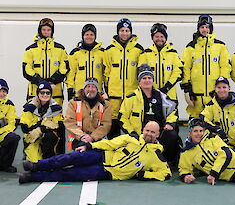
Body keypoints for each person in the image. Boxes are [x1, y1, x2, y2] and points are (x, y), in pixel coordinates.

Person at [19, 121, 171, 183]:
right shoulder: (131, 138)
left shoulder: (157, 155)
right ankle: (36, 165)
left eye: (152, 132)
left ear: (157, 134)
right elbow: (110, 143)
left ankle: (33, 177)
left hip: (108, 172)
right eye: (147, 130)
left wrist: (144, 174)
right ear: (143, 129)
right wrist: (90, 146)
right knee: (69, 158)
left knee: (71, 174)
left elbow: (166, 173)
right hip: (102, 156)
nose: (149, 133)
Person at [119, 64, 181, 164]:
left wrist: (170, 124)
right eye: (144, 78)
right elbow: (123, 118)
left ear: (153, 80)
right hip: (140, 135)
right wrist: (132, 133)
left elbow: (172, 112)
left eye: (149, 78)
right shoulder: (131, 98)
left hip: (158, 134)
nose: (147, 80)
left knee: (172, 135)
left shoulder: (162, 96)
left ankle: (168, 160)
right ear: (139, 81)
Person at [181, 14, 231, 118]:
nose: (205, 30)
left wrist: (222, 85)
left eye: (207, 27)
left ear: (211, 28)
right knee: (196, 123)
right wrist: (186, 87)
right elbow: (186, 67)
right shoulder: (191, 47)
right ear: (198, 29)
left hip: (213, 94)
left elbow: (224, 66)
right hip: (196, 94)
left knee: (215, 120)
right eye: (202, 27)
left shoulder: (220, 46)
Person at [104, 18, 143, 138]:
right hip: (114, 94)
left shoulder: (138, 50)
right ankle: (113, 150)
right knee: (113, 122)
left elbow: (140, 72)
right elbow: (106, 72)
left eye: (127, 30)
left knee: (130, 122)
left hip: (131, 94)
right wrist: (107, 90)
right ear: (118, 32)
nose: (124, 33)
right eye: (122, 30)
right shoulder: (110, 50)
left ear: (131, 32)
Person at [22, 18, 69, 106]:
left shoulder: (60, 49)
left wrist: (53, 79)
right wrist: (39, 80)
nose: (46, 32)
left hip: (55, 92)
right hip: (35, 91)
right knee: (33, 117)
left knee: (55, 117)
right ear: (40, 30)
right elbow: (26, 69)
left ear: (52, 31)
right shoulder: (30, 49)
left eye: (48, 30)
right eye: (43, 29)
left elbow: (65, 66)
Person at [200, 77, 235, 151]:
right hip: (217, 146)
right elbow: (203, 119)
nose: (221, 90)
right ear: (215, 89)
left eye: (224, 87)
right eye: (219, 87)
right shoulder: (211, 105)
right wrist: (216, 129)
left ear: (229, 88)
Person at [138, 23, 183, 104]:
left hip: (169, 95)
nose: (159, 39)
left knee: (171, 116)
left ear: (165, 38)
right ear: (152, 38)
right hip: (150, 95)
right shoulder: (145, 54)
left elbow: (178, 72)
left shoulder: (173, 53)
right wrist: (152, 90)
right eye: (157, 36)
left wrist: (167, 87)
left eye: (162, 36)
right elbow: (141, 74)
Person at [20, 81, 64, 162]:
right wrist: (44, 125)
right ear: (38, 94)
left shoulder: (56, 108)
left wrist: (40, 128)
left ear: (51, 94)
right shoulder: (29, 107)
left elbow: (57, 124)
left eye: (48, 93)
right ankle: (27, 153)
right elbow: (25, 127)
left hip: (47, 136)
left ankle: (50, 158)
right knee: (33, 164)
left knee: (50, 136)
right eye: (42, 92)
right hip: (33, 137)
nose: (45, 95)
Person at [64, 77, 112, 150]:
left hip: (97, 138)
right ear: (84, 89)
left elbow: (106, 125)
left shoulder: (105, 105)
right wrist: (82, 136)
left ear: (97, 89)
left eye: (93, 87)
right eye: (88, 86)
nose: (90, 89)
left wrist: (92, 137)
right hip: (79, 138)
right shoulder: (73, 103)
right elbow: (69, 123)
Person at [66, 24, 105, 101]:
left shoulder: (102, 52)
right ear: (83, 36)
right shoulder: (75, 53)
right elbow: (71, 73)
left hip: (97, 92)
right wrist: (70, 89)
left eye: (91, 35)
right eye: (86, 34)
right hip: (80, 93)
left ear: (95, 36)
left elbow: (106, 73)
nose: (89, 37)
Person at [0, 79, 20, 172]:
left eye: (4, 91)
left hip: (3, 133)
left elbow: (12, 123)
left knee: (14, 138)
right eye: (0, 91)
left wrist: (1, 132)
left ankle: (5, 165)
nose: (2, 94)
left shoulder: (9, 104)